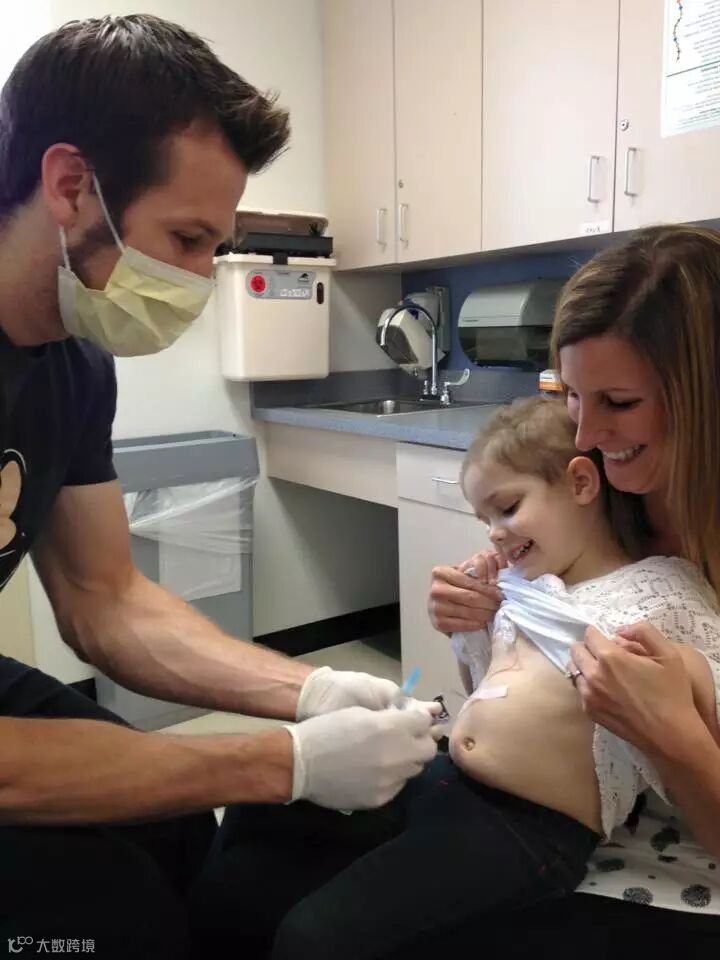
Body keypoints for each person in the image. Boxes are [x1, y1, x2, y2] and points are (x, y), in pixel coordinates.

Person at [0, 14, 438, 957]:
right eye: (189, 238)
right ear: (71, 186)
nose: (204, 279)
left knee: (172, 834)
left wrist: (311, 691)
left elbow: (106, 599)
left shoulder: (75, 364)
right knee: (109, 913)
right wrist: (281, 763)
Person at [190, 394, 720, 960]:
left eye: (507, 508)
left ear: (581, 484)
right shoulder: (527, 589)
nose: (494, 534)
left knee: (315, 936)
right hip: (449, 782)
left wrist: (685, 694)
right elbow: (493, 690)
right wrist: (471, 629)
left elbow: (705, 685)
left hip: (528, 829)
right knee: (264, 802)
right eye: (484, 519)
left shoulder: (658, 591)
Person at [427, 224, 720, 954]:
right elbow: (517, 685)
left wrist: (673, 735)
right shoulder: (609, 496)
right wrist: (484, 619)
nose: (585, 434)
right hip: (574, 821)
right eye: (572, 396)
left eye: (617, 401)